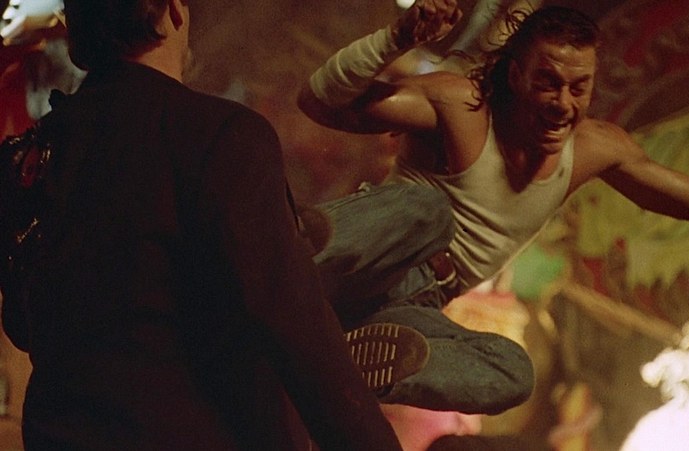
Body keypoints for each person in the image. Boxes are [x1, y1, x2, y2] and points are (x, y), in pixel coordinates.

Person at [296, 0, 689, 416]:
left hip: (415, 306)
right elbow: (319, 101)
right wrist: (396, 38)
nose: (563, 104)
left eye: (579, 88)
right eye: (548, 83)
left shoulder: (595, 149)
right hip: (368, 256)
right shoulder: (460, 106)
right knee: (428, 212)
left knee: (513, 370)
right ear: (515, 76)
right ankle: (293, 251)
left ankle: (354, 357)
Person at [0, 0, 411, 449]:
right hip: (191, 435)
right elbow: (297, 331)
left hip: (61, 436)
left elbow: (21, 323)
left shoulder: (27, 158)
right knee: (410, 218)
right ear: (174, 12)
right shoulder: (221, 134)